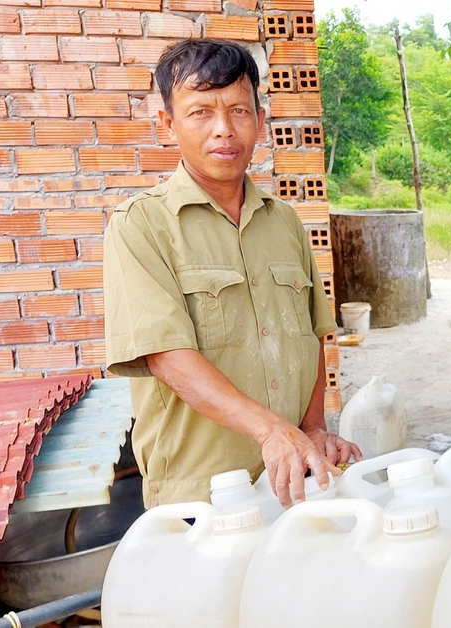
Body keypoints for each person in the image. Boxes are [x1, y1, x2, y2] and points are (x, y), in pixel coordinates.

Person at [103, 39, 361, 509]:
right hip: (203, 499)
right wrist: (271, 430)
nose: (224, 129)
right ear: (168, 123)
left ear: (260, 122)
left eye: (239, 111)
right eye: (201, 112)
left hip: (292, 488)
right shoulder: (141, 226)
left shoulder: (284, 222)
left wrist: (312, 431)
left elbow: (312, 335)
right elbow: (166, 356)